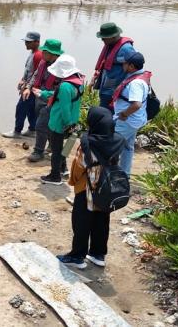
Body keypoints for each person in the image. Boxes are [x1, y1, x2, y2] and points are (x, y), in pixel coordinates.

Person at [57, 106, 124, 269]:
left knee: (81, 222)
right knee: (102, 221)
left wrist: (72, 181)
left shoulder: (88, 143)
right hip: (107, 189)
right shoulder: (118, 141)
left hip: (87, 190)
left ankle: (77, 256)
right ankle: (97, 254)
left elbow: (79, 167)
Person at [32, 54, 84, 185]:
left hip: (59, 122)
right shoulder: (78, 81)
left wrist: (68, 124)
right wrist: (43, 93)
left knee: (56, 150)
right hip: (72, 118)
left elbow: (64, 107)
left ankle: (55, 176)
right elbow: (62, 96)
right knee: (61, 147)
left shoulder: (65, 86)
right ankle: (63, 169)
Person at [111, 52, 150, 177]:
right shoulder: (142, 76)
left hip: (127, 121)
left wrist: (124, 114)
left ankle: (109, 175)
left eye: (125, 63)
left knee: (111, 146)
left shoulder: (135, 83)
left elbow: (136, 104)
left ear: (131, 66)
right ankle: (124, 175)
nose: (122, 65)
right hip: (136, 120)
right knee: (128, 147)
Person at [27, 39, 64, 163]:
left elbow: (63, 88)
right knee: (46, 124)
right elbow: (35, 76)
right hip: (39, 97)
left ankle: (38, 151)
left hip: (51, 100)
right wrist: (28, 87)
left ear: (53, 54)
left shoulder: (62, 68)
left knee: (40, 125)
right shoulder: (44, 62)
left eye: (45, 52)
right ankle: (51, 146)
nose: (42, 54)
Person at [3, 31, 43, 138]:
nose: (26, 43)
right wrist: (22, 79)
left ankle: (17, 131)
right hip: (29, 86)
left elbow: (37, 74)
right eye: (26, 41)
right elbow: (29, 71)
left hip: (31, 88)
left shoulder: (38, 55)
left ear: (37, 42)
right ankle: (32, 129)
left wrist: (27, 87)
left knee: (21, 108)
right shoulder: (32, 52)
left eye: (29, 42)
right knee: (31, 109)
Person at [92, 22, 135, 111]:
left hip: (114, 89)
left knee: (108, 111)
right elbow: (104, 63)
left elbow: (134, 69)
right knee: (103, 107)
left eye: (104, 38)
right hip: (106, 85)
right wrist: (95, 76)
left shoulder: (126, 49)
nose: (102, 40)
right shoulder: (110, 45)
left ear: (113, 37)